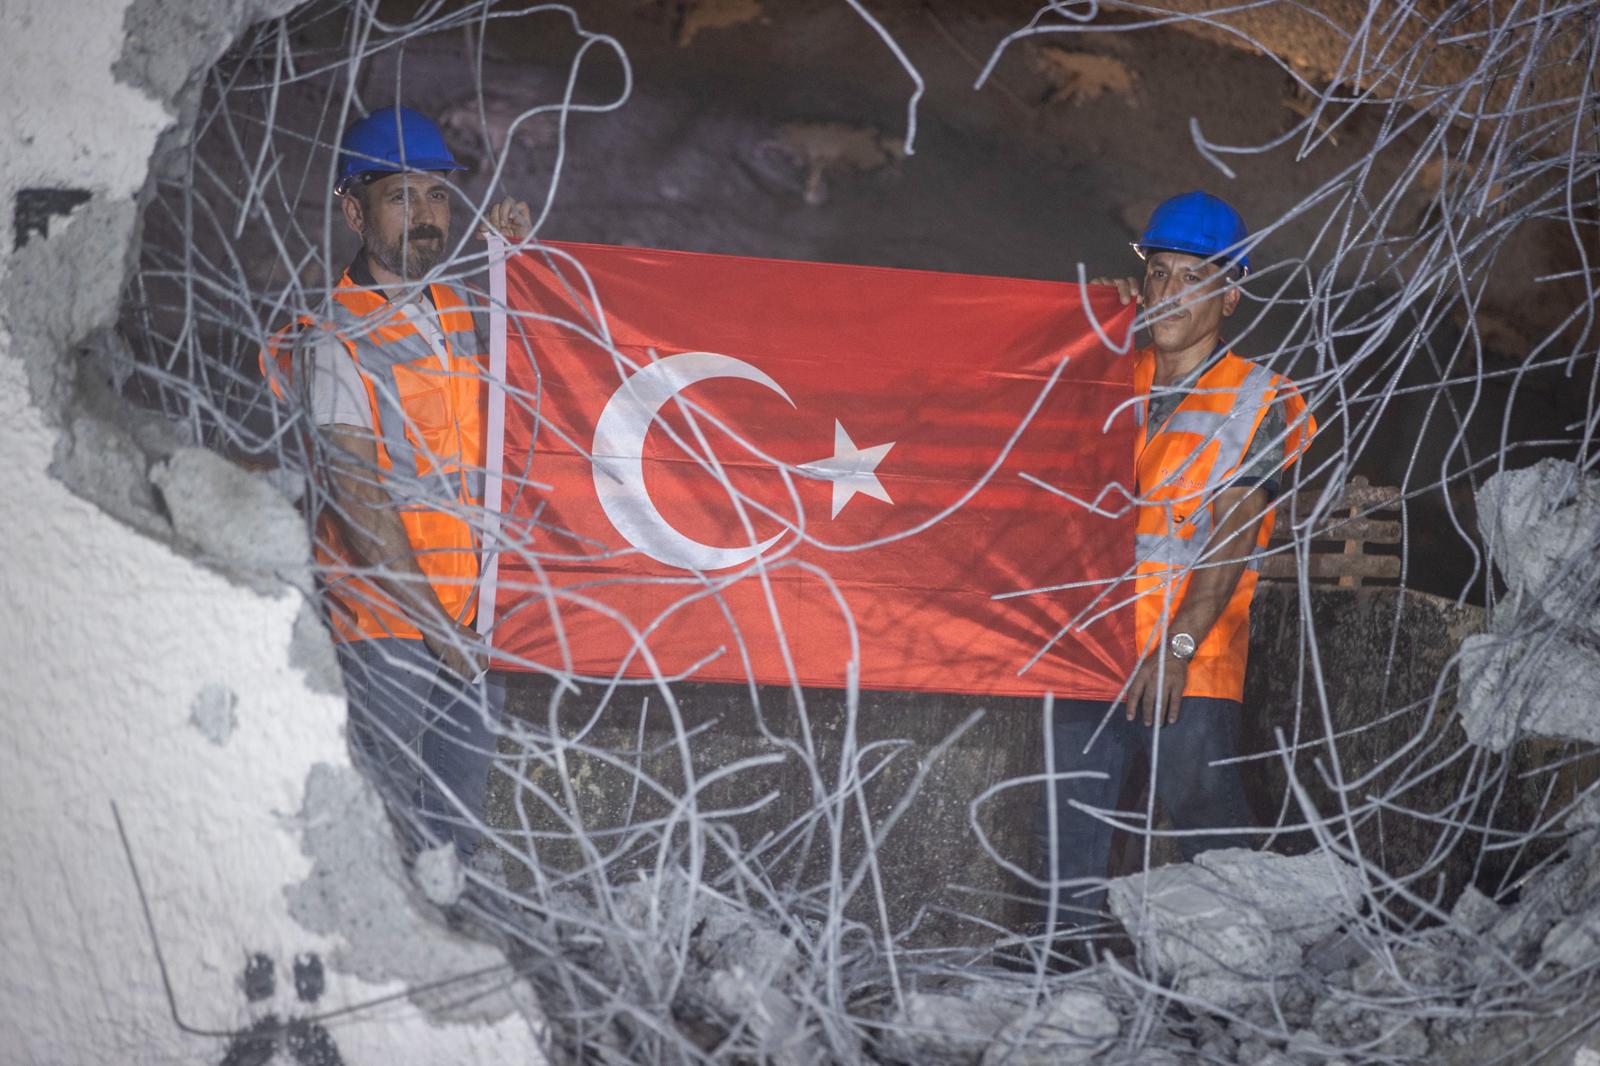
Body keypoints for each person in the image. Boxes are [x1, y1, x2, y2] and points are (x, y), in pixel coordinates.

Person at [1039, 191, 1315, 956]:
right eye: (1157, 273)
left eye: (1193, 278)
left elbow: (1232, 531)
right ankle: (1063, 1004)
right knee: (1068, 854)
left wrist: (1180, 645)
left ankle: (1248, 992)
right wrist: (1092, 322)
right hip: (1085, 652)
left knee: (1213, 845)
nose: (1168, 293)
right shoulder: (1101, 373)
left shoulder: (1265, 397)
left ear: (1231, 292)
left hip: (1187, 666)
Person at [262, 106, 530, 863]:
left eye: (438, 195)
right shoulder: (336, 335)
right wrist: (439, 630)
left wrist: (520, 262)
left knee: (454, 841)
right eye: (400, 197)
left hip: (470, 616)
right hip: (387, 624)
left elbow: (537, 388)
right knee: (381, 833)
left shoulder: (457, 307)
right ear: (354, 209)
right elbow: (359, 499)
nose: (426, 216)